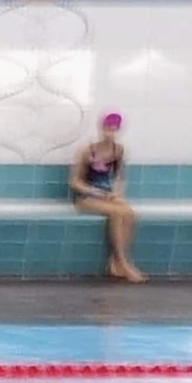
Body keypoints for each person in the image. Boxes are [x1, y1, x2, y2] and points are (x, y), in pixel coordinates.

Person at [74, 113, 146, 281]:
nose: (110, 133)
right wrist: (95, 192)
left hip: (107, 197)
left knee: (129, 213)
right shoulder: (88, 151)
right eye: (107, 129)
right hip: (87, 199)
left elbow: (120, 177)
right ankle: (123, 263)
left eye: (114, 130)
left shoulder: (118, 151)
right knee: (117, 213)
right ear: (101, 128)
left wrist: (116, 193)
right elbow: (75, 182)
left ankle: (115, 262)